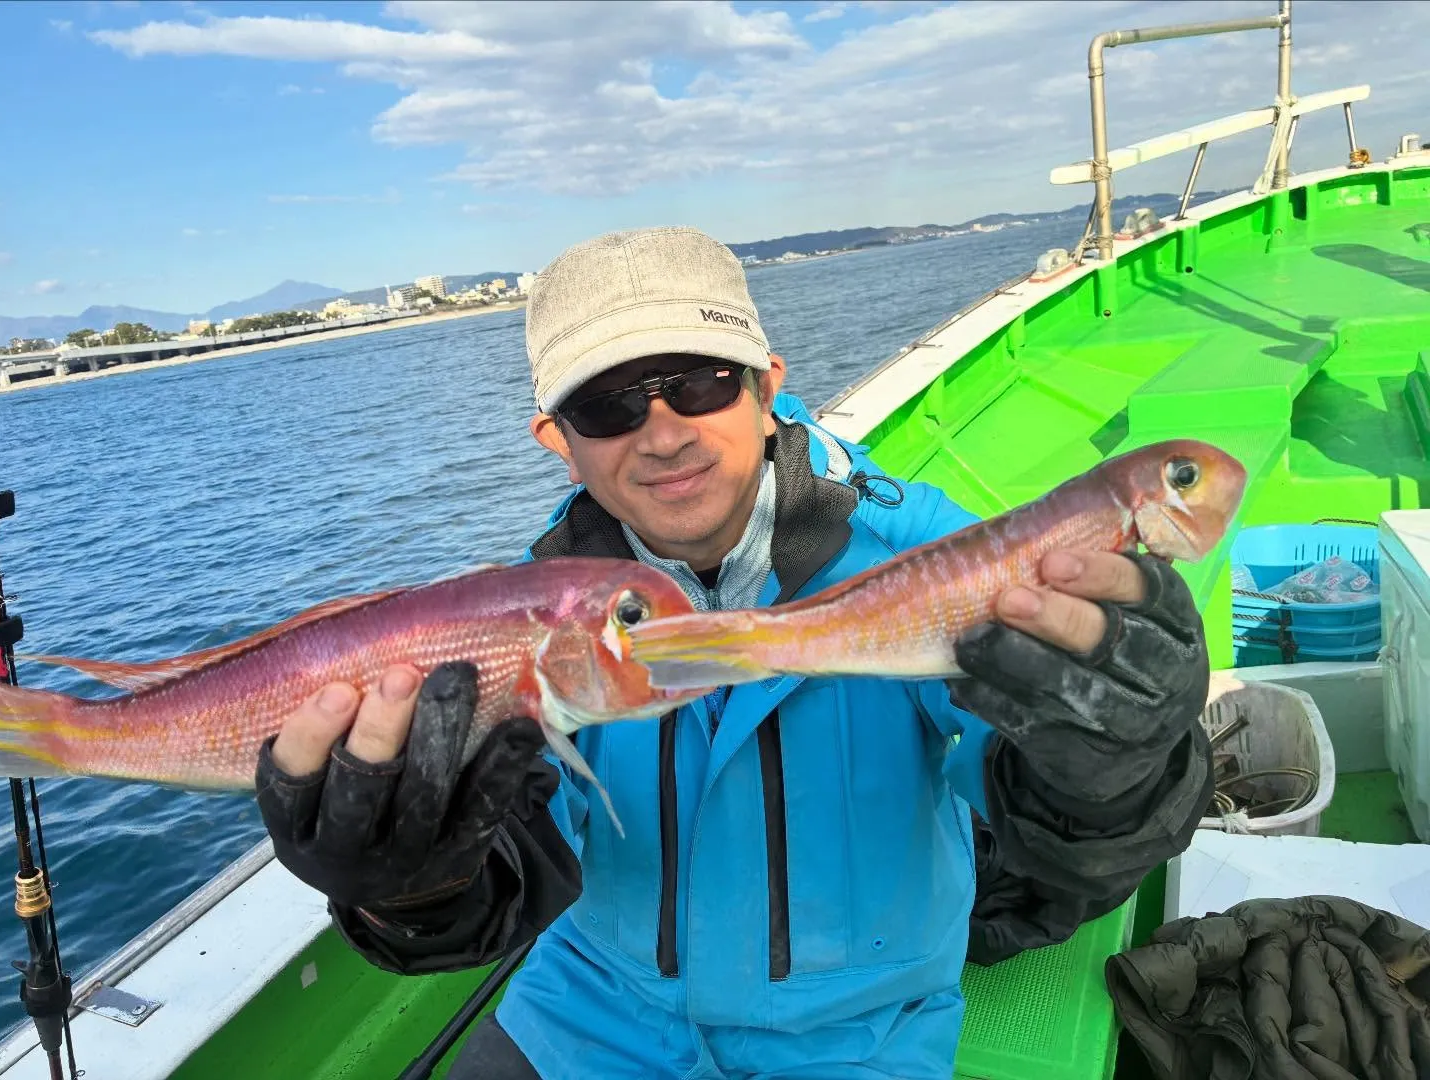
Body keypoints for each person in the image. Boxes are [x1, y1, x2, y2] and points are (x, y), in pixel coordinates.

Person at [255, 226, 1216, 1079]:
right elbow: (509, 870)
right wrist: (408, 885)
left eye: (702, 382)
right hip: (585, 1020)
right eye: (609, 407)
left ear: (766, 390)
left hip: (857, 1038)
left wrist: (1123, 763)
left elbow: (1057, 831)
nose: (664, 434)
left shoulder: (934, 562)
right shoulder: (525, 624)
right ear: (559, 442)